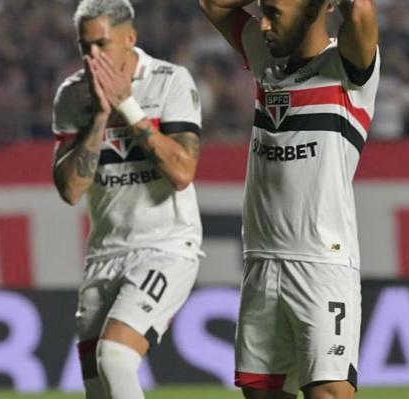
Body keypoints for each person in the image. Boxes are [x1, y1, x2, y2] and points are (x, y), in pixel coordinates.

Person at [199, 0, 379, 398]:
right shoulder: (268, 56)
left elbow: (362, 12)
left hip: (321, 264)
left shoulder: (347, 67)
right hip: (261, 262)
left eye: (274, 13)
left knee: (329, 392)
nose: (262, 24)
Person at [51, 1, 203, 398]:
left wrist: (127, 106)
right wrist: (100, 117)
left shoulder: (170, 81)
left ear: (130, 38)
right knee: (99, 387)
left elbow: (183, 171)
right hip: (104, 255)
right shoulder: (72, 96)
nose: (93, 58)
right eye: (85, 48)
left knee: (116, 356)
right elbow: (70, 190)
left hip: (166, 247)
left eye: (102, 44)